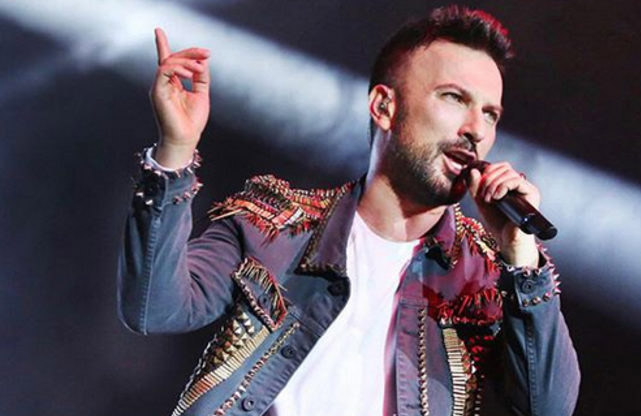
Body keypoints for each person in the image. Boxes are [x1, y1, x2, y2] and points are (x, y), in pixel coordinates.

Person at [118, 6, 580, 416]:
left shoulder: (483, 275)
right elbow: (154, 309)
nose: (476, 129)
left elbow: (547, 406)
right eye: (454, 98)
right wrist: (175, 151)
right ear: (384, 107)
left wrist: (523, 260)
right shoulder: (270, 225)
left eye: (491, 113)